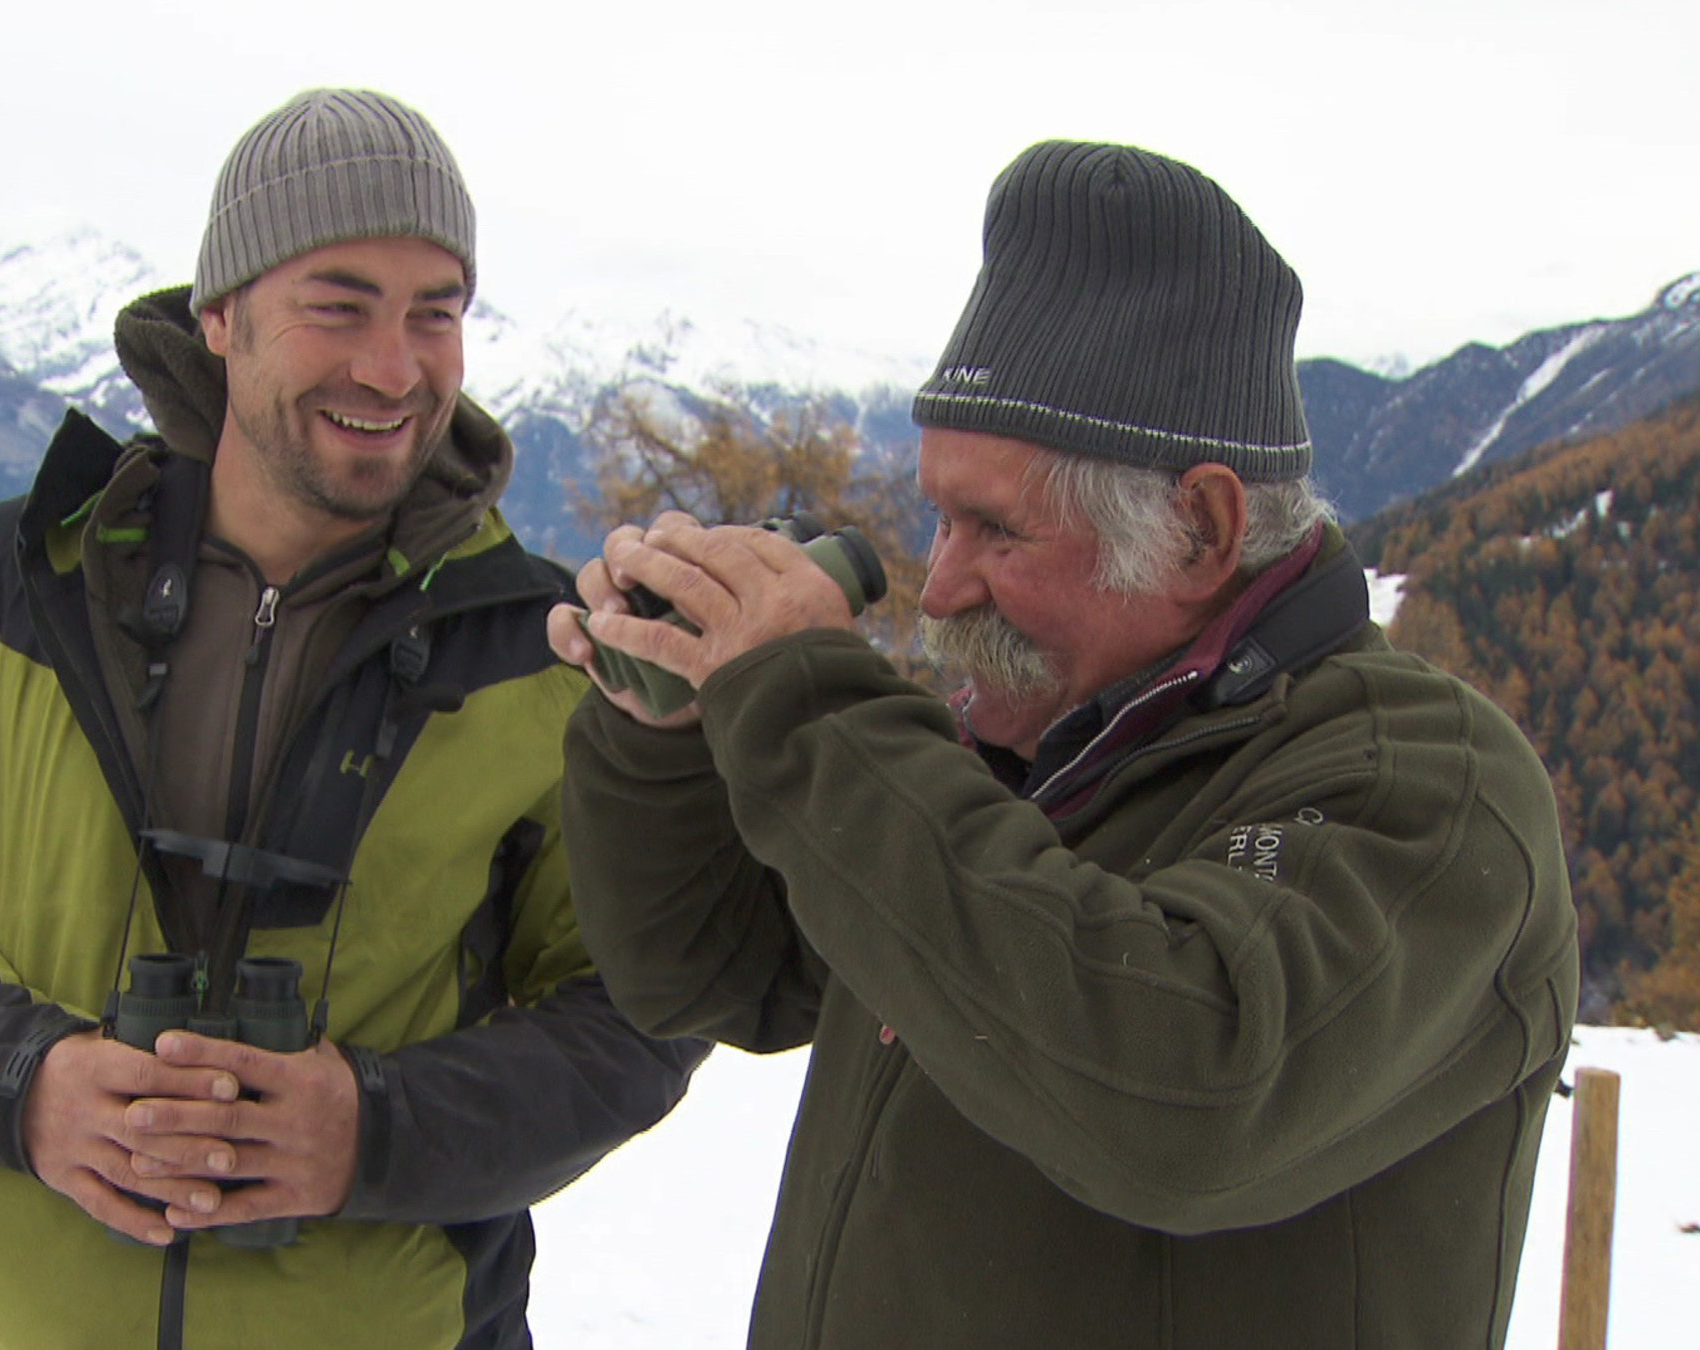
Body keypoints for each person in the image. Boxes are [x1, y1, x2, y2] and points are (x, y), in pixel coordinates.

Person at [546, 140, 1579, 1349]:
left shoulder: (1426, 785)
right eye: (939, 518)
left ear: (1201, 525)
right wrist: (666, 731)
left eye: (995, 530)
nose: (939, 586)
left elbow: (1185, 1100)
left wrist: (805, 705)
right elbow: (716, 971)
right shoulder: (1032, 742)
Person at [0, 88, 703, 1350]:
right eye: (339, 305)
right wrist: (25, 1086)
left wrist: (375, 1128)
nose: (394, 367)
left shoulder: (534, 652)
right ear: (219, 316)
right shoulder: (10, 591)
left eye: (435, 313)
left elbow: (637, 1003)